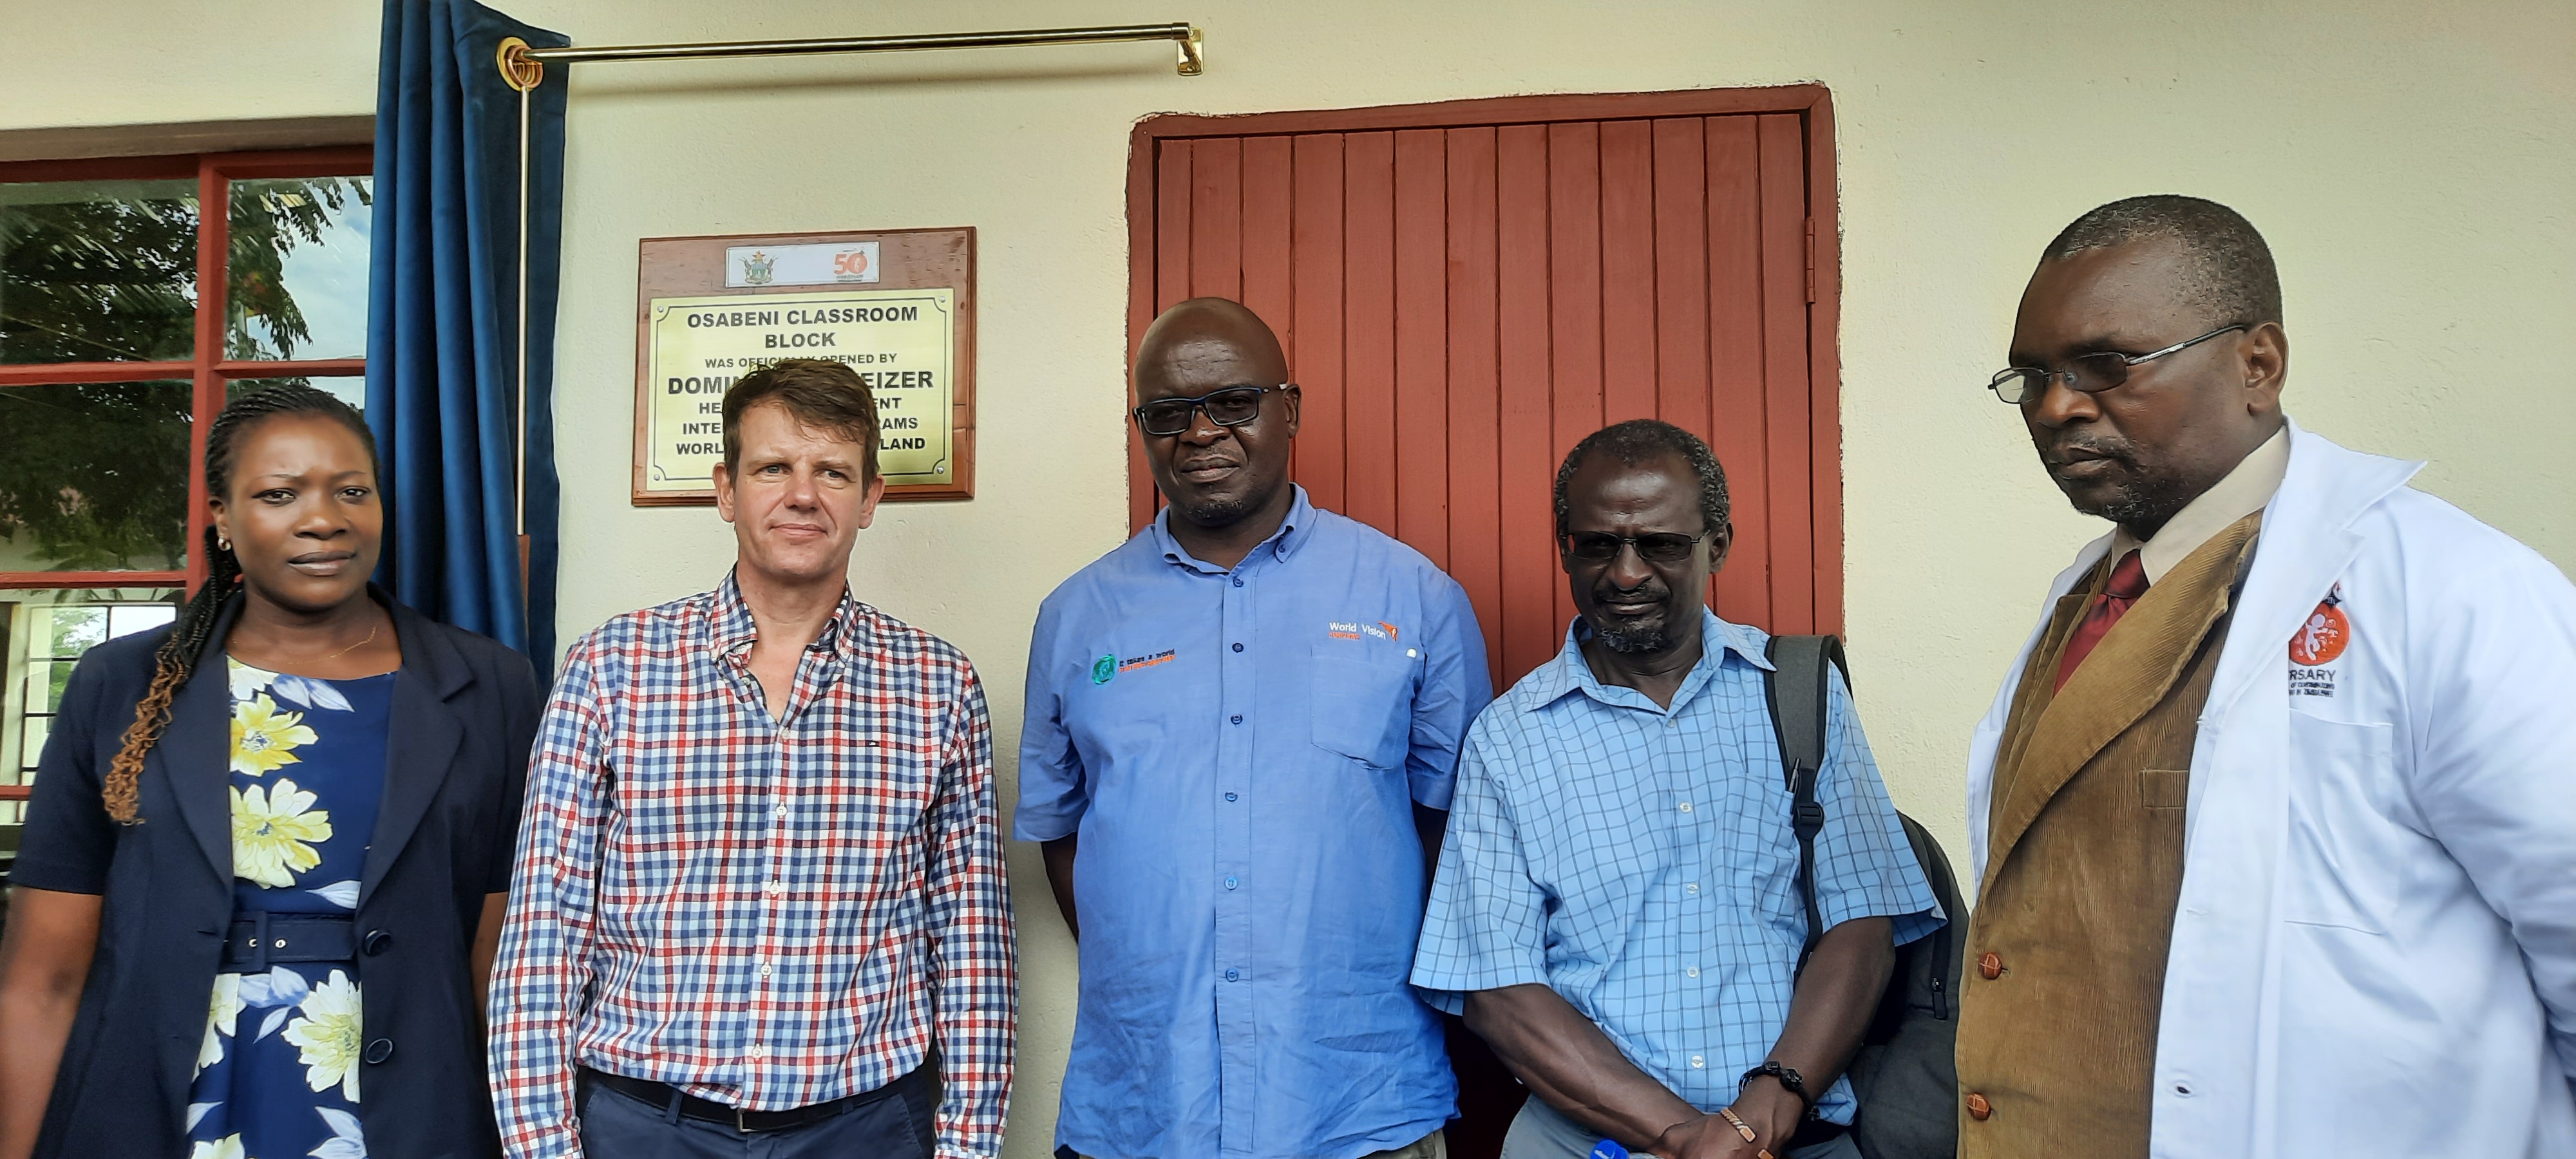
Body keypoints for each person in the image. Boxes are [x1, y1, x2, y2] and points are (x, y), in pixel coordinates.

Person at [1959, 194, 2576, 1156]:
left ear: (2259, 364)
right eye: (2031, 376)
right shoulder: (2086, 594)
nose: (2056, 406)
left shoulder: (2452, 591)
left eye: (2105, 367)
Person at [485, 359, 1015, 1159]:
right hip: (641, 1126)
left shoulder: (938, 686)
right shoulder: (612, 669)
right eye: (773, 467)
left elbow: (971, 940)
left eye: (832, 471)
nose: (802, 494)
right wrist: (542, 1148)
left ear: (870, 499)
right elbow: (543, 932)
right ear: (727, 490)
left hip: (863, 1128)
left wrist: (967, 1144)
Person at [0, 384, 542, 1159]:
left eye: (352, 491)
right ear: (221, 516)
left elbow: (500, 966)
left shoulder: (489, 686)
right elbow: (41, 980)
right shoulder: (120, 684)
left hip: (411, 1117)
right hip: (154, 1110)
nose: (324, 518)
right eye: (279, 494)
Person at [1016, 297, 1490, 1159]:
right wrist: (1158, 967)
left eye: (1233, 402)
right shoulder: (1076, 618)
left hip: (1358, 1100)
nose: (1200, 433)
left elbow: (1452, 829)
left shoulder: (1413, 598)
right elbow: (1065, 835)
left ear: (1290, 411)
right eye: (1168, 414)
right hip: (1146, 1105)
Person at [1410, 419, 1939, 1159]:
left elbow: (1863, 926)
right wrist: (1687, 1137)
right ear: (1565, 546)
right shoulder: (1510, 737)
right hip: (1586, 1142)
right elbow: (1497, 990)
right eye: (1598, 544)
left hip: (1798, 1134)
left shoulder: (1797, 695)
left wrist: (1766, 1106)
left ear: (1716, 544)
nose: (1626, 573)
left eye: (1660, 544)